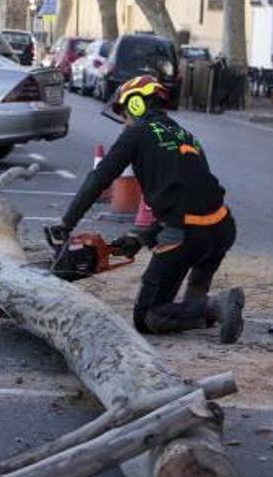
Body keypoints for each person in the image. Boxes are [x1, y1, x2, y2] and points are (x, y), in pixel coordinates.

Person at [47, 75, 244, 343]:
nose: (124, 121)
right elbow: (189, 198)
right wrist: (141, 236)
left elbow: (99, 178)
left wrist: (66, 222)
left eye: (125, 113)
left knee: (148, 317)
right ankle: (208, 306)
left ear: (138, 105)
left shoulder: (137, 133)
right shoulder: (185, 134)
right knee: (190, 301)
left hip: (186, 235)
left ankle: (214, 306)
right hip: (221, 227)